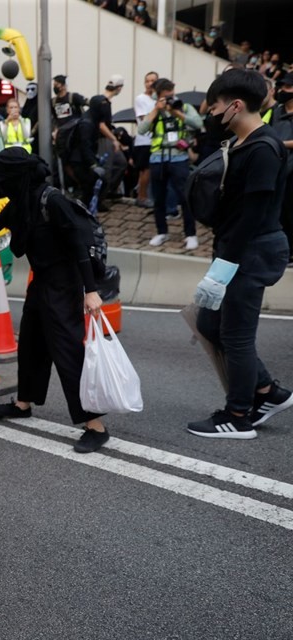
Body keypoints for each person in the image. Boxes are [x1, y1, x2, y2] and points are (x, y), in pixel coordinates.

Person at [187, 69, 293, 439]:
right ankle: (269, 392)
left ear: (234, 106)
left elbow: (253, 215)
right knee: (209, 325)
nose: (211, 116)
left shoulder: (263, 148)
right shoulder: (243, 144)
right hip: (238, 250)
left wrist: (224, 268)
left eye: (213, 108)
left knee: (236, 335)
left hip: (251, 252)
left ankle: (238, 415)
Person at [0, 148, 109, 453]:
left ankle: (95, 424)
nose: (0, 185)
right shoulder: (21, 202)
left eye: (4, 179)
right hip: (42, 282)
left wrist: (90, 291)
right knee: (30, 344)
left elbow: (79, 244)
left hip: (65, 284)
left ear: (16, 178)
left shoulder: (51, 200)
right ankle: (22, 403)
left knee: (67, 351)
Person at [137, 77, 203, 250]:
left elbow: (198, 123)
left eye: (172, 95)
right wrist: (155, 111)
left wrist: (177, 113)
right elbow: (141, 130)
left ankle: (190, 234)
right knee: (159, 198)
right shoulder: (154, 111)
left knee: (185, 197)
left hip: (179, 158)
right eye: (167, 97)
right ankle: (161, 232)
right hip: (158, 158)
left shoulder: (184, 107)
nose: (171, 99)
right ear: (158, 97)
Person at [66, 97, 111, 208]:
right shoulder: (86, 123)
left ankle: (93, 206)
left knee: (97, 183)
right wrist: (93, 165)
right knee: (89, 186)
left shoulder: (92, 119)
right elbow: (84, 146)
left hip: (84, 160)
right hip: (79, 162)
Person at [270, 73, 293, 252]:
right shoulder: (277, 110)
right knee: (279, 210)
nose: (283, 91)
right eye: (282, 87)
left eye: (288, 87)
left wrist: (280, 143)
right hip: (277, 166)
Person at [133, 71, 159, 207]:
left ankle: (143, 194)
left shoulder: (157, 98)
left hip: (155, 140)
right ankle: (142, 197)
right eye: (147, 81)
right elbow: (144, 120)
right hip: (144, 140)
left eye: (153, 80)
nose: (150, 84)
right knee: (145, 170)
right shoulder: (141, 98)